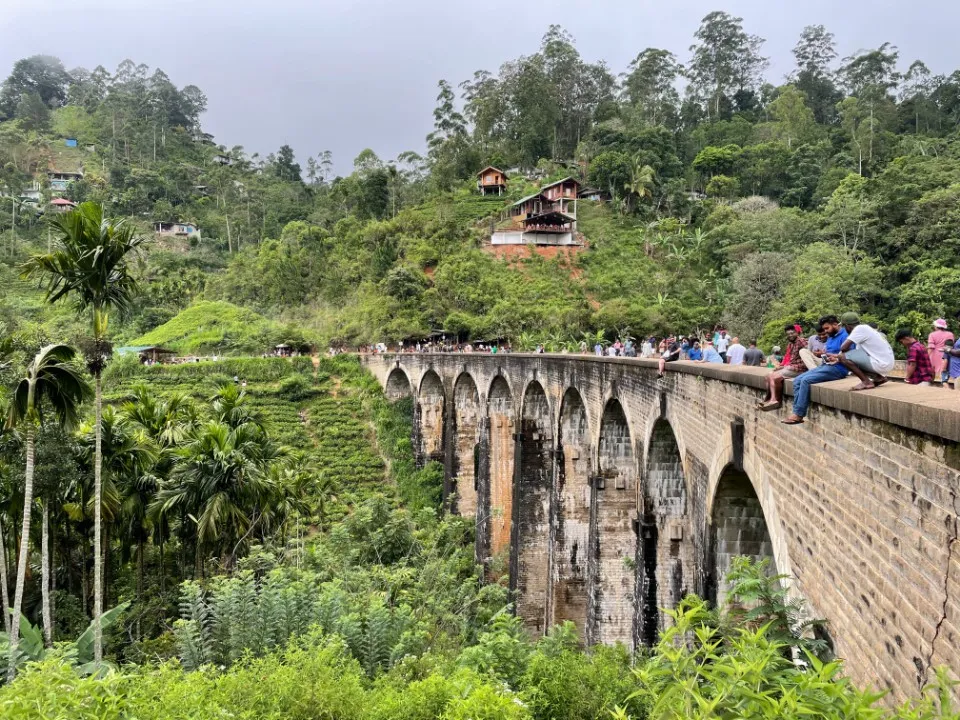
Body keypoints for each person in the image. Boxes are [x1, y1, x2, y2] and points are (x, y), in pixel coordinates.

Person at [782, 315, 851, 425]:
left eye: (827, 328)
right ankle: (796, 411)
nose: (825, 332)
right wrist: (821, 354)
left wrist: (835, 357)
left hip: (838, 368)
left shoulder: (845, 336)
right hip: (826, 365)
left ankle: (799, 414)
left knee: (806, 380)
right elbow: (827, 353)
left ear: (835, 324)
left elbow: (849, 356)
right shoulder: (831, 336)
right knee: (797, 380)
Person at [836, 313, 894, 390]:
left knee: (842, 357)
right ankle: (879, 378)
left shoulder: (859, 329)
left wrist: (840, 357)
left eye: (844, 327)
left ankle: (866, 382)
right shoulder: (865, 329)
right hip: (886, 363)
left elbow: (843, 348)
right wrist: (837, 359)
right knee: (845, 359)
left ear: (847, 325)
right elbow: (856, 355)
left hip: (881, 363)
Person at [758, 325, 808, 411]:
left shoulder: (801, 341)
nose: (790, 335)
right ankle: (769, 399)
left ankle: (775, 400)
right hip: (791, 367)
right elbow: (791, 360)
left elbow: (808, 350)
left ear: (796, 333)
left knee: (773, 377)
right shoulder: (791, 344)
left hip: (800, 369)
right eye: (788, 334)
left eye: (792, 333)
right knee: (768, 376)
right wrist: (781, 367)